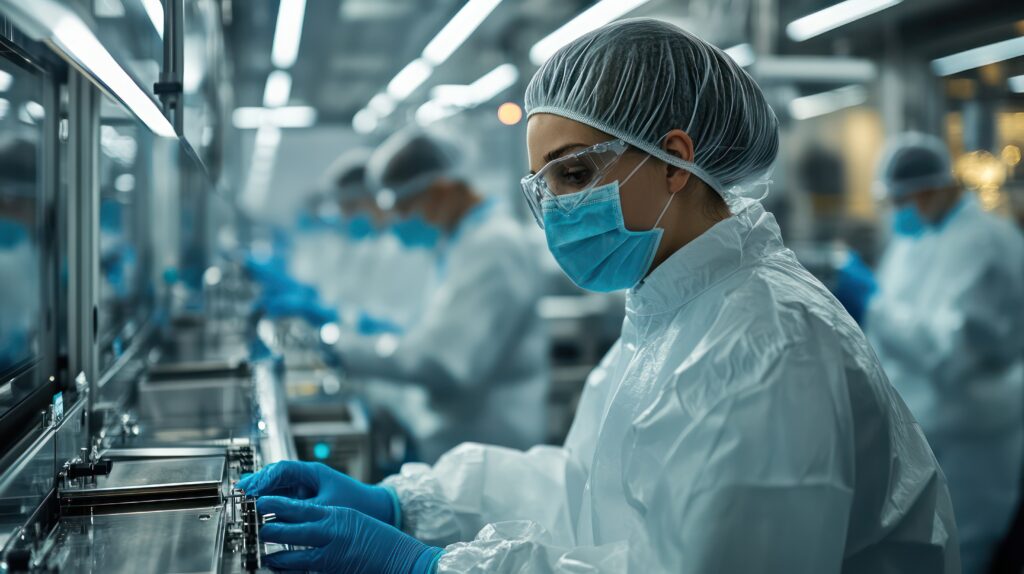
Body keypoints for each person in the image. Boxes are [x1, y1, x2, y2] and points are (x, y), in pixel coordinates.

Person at [238, 19, 958, 573]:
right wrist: (409, 504)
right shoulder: (672, 307)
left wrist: (432, 567)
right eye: (544, 186)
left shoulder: (765, 344)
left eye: (575, 174)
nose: (556, 208)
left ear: (675, 160)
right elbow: (586, 493)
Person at [837, 132, 1024, 574]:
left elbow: (947, 352)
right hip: (924, 427)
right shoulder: (919, 236)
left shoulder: (985, 243)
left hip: (970, 434)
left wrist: (872, 304)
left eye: (900, 200)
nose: (897, 212)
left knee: (963, 551)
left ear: (928, 190)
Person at [319, 129, 549, 464]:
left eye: (404, 207)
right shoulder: (461, 242)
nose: (396, 221)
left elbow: (444, 363)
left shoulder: (494, 248)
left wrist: (344, 348)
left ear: (441, 190)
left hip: (490, 440)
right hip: (460, 435)